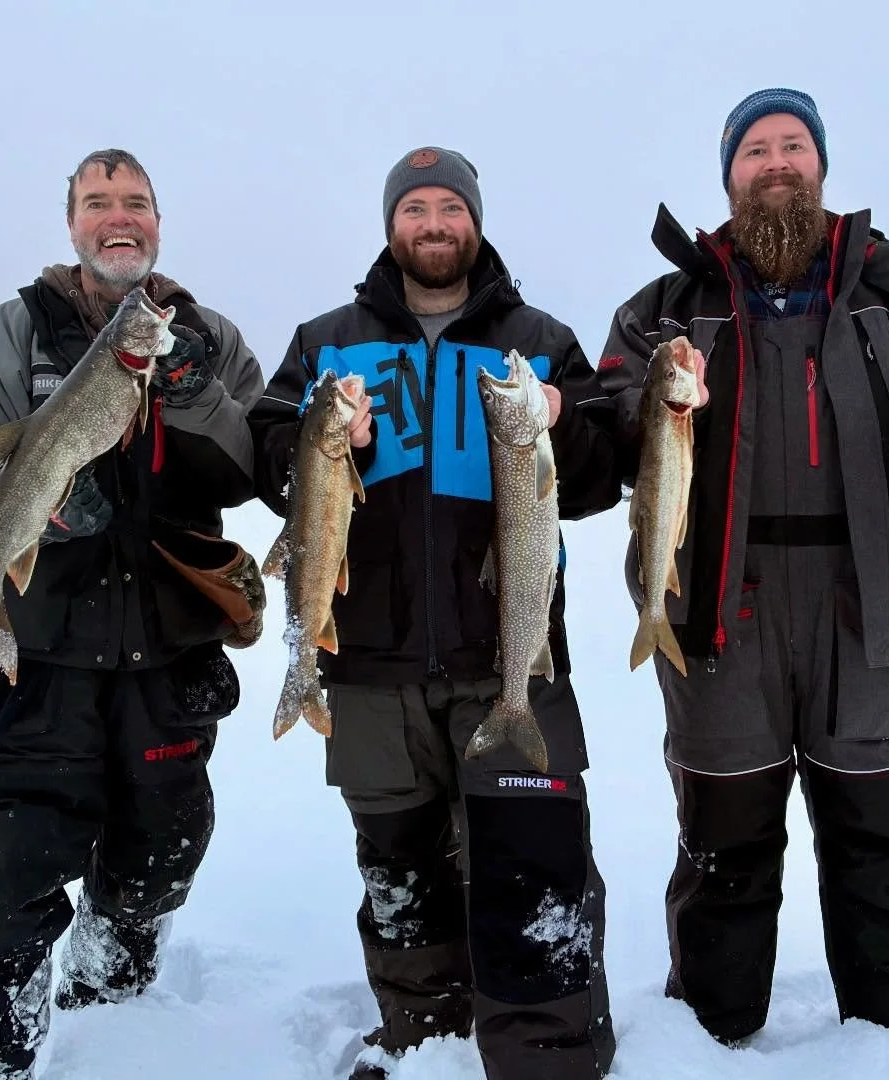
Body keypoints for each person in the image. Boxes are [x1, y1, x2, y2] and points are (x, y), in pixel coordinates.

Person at [595, 89, 889, 1069]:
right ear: (729, 177)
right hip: (717, 600)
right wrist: (646, 401)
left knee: (879, 835)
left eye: (793, 145)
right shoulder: (666, 308)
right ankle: (709, 1040)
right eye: (755, 150)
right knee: (724, 841)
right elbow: (607, 425)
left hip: (872, 600)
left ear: (821, 166)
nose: (777, 163)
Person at [248, 147, 620, 1080]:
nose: (434, 224)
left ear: (476, 223)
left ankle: (547, 1057)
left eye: (451, 207)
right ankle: (425, 1042)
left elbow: (601, 478)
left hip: (512, 653)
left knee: (534, 866)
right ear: (391, 227)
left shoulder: (537, 340)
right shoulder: (326, 342)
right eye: (414, 208)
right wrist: (320, 439)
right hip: (368, 665)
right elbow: (266, 454)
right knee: (400, 875)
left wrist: (564, 418)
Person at [0, 148, 266, 1080]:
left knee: (160, 852)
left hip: (168, 652)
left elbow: (257, 465)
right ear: (72, 224)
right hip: (34, 650)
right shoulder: (10, 331)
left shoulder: (208, 336)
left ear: (159, 223)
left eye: (135, 201)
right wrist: (19, 506)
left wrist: (195, 394)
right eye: (98, 202)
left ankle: (116, 1007)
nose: (118, 216)